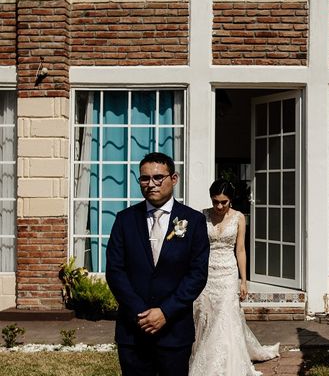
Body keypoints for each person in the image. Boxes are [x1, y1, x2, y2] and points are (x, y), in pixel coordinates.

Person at [106, 152, 210, 376]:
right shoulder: (124, 219)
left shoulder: (194, 221)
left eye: (158, 177)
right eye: (144, 179)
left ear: (174, 178)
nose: (151, 184)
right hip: (133, 331)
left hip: (174, 330)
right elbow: (115, 271)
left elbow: (197, 274)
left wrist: (165, 312)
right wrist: (141, 313)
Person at [189, 179, 280, 376]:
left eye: (224, 202)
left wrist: (244, 281)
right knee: (205, 314)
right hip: (207, 272)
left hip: (229, 272)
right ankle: (203, 356)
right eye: (215, 202)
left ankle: (225, 364)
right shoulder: (202, 216)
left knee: (226, 316)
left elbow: (240, 250)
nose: (219, 206)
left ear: (231, 200)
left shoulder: (239, 217)